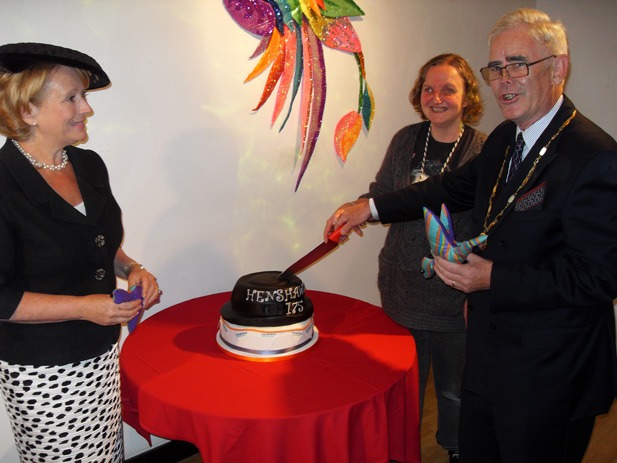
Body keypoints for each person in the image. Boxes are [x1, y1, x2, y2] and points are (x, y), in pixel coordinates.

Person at [325, 8, 617, 463]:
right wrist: (371, 207)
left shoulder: (595, 156)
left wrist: (492, 279)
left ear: (558, 67)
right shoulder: (506, 138)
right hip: (488, 357)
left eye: (518, 63)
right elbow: (447, 189)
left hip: (549, 373)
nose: (504, 80)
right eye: (496, 68)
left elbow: (599, 277)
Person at [0, 42, 161, 462]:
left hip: (101, 351)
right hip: (43, 370)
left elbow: (99, 243)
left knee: (107, 454)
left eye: (83, 96)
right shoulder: (3, 186)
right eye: (71, 97)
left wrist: (132, 268)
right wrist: (84, 307)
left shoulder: (88, 165)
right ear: (27, 112)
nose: (86, 109)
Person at [338, 53, 485, 462]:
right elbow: (382, 193)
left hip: (453, 296)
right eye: (428, 89)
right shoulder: (406, 138)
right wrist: (356, 208)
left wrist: (480, 292)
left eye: (448, 89)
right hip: (401, 288)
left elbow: (490, 226)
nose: (436, 98)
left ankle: (455, 448)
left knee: (454, 388)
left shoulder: (483, 151)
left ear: (467, 95)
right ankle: (402, 449)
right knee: (404, 386)